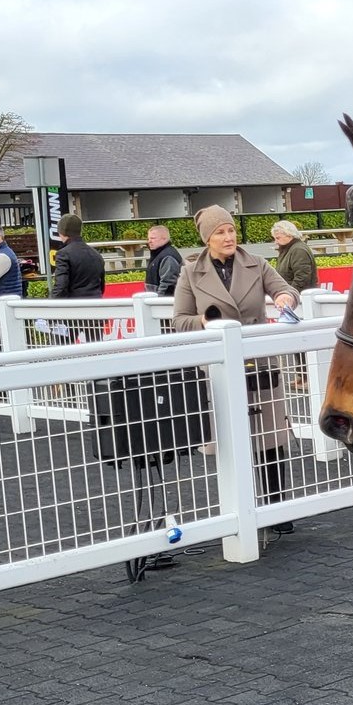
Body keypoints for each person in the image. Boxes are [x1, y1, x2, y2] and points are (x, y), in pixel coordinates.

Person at [173, 206, 300, 534]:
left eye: (231, 230)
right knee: (230, 442)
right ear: (207, 238)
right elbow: (178, 321)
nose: (229, 237)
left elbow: (286, 290)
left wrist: (285, 298)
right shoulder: (190, 273)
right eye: (220, 232)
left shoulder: (257, 263)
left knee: (271, 440)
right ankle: (238, 509)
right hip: (219, 370)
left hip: (259, 364)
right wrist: (203, 322)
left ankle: (277, 507)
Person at [48, 214, 104, 300]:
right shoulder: (96, 254)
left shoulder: (63, 254)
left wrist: (49, 305)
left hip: (75, 308)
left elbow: (61, 287)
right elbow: (101, 286)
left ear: (62, 232)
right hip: (96, 306)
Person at [270, 220, 318, 292]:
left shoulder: (298, 250)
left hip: (300, 297)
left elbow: (302, 278)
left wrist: (289, 294)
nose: (276, 242)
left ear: (289, 235)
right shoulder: (290, 249)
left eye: (278, 238)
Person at [143, 225, 183, 296]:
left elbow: (168, 285)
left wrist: (159, 302)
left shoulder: (168, 257)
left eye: (153, 238)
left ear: (164, 239)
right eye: (148, 238)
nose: (149, 241)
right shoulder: (158, 254)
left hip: (162, 302)